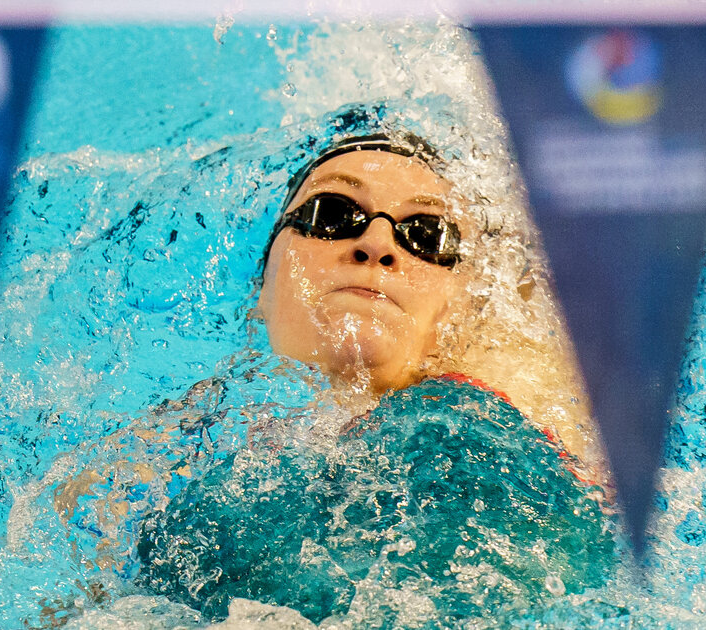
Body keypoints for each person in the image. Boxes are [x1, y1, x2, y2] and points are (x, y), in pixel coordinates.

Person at [131, 127, 618, 625]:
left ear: (467, 311)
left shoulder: (496, 418)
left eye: (428, 234)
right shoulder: (152, 459)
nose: (377, 243)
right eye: (334, 214)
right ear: (262, 285)